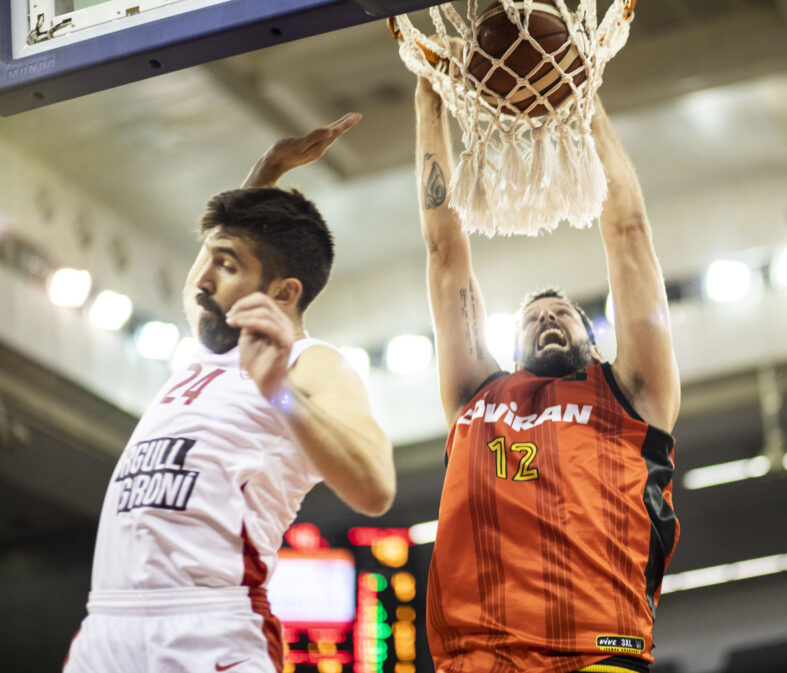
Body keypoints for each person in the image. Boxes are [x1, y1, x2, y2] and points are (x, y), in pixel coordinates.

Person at [64, 112, 396, 673]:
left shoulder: (311, 364)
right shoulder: (202, 350)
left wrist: (279, 393)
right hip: (106, 624)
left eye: (226, 266)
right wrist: (267, 170)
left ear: (285, 292)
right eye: (210, 262)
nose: (201, 279)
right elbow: (213, 256)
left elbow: (376, 489)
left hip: (209, 623)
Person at [414, 74, 681, 673]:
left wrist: (581, 99)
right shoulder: (476, 396)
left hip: (599, 653)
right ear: (510, 351)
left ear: (593, 338)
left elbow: (629, 231)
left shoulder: (632, 393)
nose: (547, 319)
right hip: (480, 659)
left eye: (562, 312)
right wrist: (429, 102)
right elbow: (443, 251)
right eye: (532, 317)